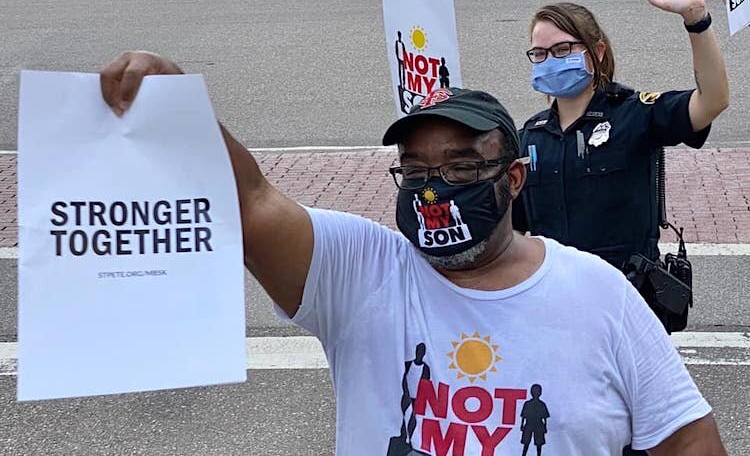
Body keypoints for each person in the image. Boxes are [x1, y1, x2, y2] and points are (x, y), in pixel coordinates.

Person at [99, 63, 726, 453]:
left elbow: (688, 437)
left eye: (460, 167)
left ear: (512, 179)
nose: (435, 187)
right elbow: (250, 202)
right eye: (417, 170)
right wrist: (177, 106)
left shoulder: (598, 295)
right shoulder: (362, 271)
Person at [513, 0, 729, 337]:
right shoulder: (529, 136)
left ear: (595, 52)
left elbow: (713, 100)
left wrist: (697, 20)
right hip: (552, 310)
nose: (549, 61)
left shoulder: (635, 114)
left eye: (562, 49)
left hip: (626, 309)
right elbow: (507, 229)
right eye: (540, 54)